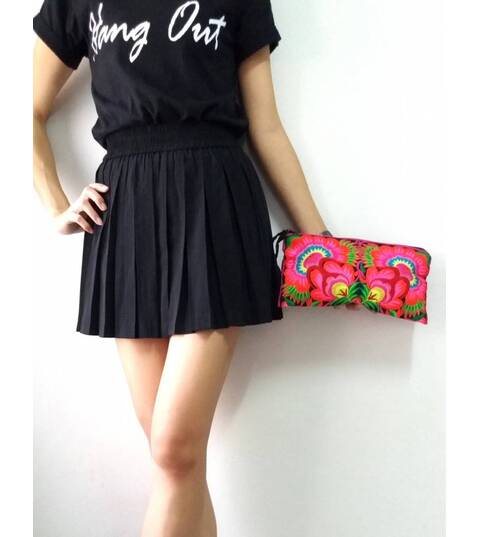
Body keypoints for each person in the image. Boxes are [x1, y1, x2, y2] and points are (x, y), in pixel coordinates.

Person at [33, 1, 359, 535]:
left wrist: (321, 244)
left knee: (174, 449)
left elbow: (266, 127)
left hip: (214, 206)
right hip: (126, 217)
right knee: (173, 457)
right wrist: (56, 207)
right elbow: (26, 109)